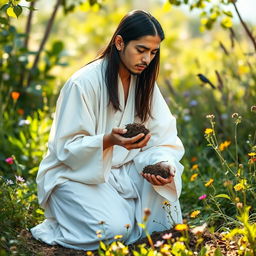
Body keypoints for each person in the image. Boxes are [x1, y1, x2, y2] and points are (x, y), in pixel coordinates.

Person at [31, 10, 184, 250]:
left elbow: (164, 138)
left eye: (153, 53)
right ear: (120, 42)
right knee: (113, 230)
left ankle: (132, 220)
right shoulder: (83, 83)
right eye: (141, 50)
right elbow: (66, 149)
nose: (147, 59)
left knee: (165, 205)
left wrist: (163, 164)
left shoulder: (145, 84)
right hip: (74, 175)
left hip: (121, 172)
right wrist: (107, 141)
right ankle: (64, 224)